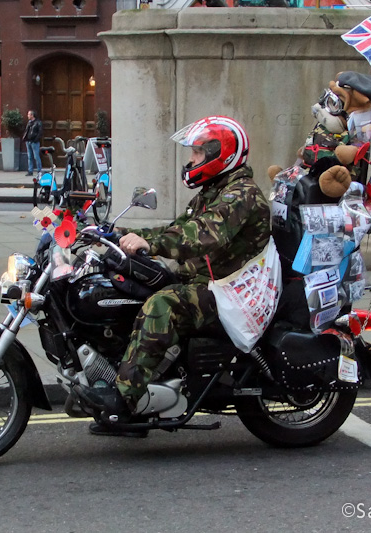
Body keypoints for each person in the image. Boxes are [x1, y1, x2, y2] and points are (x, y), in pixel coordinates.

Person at [75, 116, 271, 437]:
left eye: (197, 153)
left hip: (230, 291)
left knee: (161, 305)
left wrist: (150, 244)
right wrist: (118, 234)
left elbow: (201, 235)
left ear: (219, 153)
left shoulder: (241, 195)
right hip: (206, 282)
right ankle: (133, 376)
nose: (191, 160)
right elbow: (175, 229)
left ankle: (125, 402)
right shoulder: (213, 191)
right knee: (132, 291)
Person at [23, 110, 43, 177]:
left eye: (29, 114)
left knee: (36, 156)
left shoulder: (38, 123)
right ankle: (30, 171)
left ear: (32, 115)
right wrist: (25, 138)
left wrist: (35, 139)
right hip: (28, 141)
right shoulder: (29, 123)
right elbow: (27, 131)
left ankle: (39, 170)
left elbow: (40, 132)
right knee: (30, 157)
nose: (28, 116)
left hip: (34, 142)